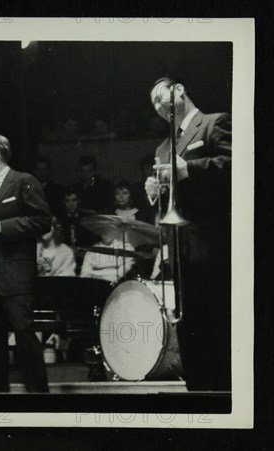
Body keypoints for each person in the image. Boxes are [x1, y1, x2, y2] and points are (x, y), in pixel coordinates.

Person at [145, 76, 232, 391]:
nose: (158, 105)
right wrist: (156, 192)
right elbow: (167, 206)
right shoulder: (164, 146)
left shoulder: (214, 123)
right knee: (190, 328)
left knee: (219, 320)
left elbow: (235, 165)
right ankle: (198, 396)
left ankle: (227, 397)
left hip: (212, 244)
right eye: (153, 103)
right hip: (180, 249)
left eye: (161, 96)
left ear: (180, 90)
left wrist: (190, 170)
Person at [0, 133, 51, 393]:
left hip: (16, 276)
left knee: (24, 336)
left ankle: (40, 401)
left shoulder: (23, 181)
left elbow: (42, 221)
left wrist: (1, 226)